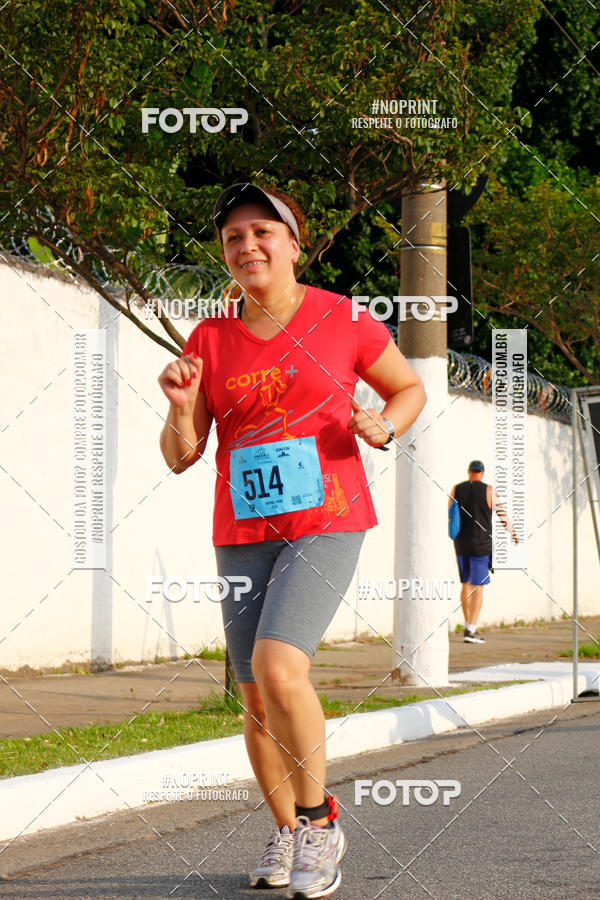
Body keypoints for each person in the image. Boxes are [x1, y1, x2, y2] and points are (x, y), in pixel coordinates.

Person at [158, 182, 426, 898]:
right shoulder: (209, 339)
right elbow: (182, 454)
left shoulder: (343, 317)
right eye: (233, 238)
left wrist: (384, 425)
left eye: (262, 232)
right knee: (254, 697)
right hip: (242, 527)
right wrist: (181, 407)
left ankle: (318, 822)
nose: (247, 246)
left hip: (328, 516)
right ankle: (286, 832)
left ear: (293, 244)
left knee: (279, 668)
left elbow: (408, 388)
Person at [449, 460, 518, 644]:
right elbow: (501, 514)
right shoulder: (489, 490)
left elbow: (450, 514)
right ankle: (470, 630)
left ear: (469, 471)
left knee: (465, 584)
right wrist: (512, 531)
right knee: (478, 587)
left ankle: (467, 625)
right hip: (481, 545)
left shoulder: (456, 489)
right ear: (482, 473)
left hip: (461, 544)